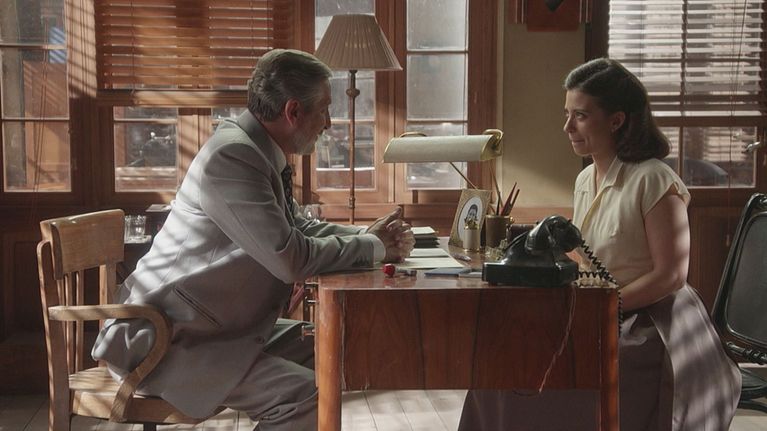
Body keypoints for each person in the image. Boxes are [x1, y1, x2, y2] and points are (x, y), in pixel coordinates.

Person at [91, 49, 415, 431]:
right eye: (324, 109)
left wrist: (367, 236)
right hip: (164, 341)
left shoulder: (255, 149)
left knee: (332, 350)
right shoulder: (233, 158)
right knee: (305, 396)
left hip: (210, 330)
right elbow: (289, 257)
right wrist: (374, 247)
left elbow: (297, 228)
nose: (328, 122)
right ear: (293, 111)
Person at [458, 58, 741, 430]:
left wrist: (604, 308)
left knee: (542, 379)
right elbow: (586, 258)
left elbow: (671, 275)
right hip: (601, 311)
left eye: (580, 116)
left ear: (616, 120)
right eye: (567, 114)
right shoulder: (586, 178)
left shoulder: (654, 179)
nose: (567, 127)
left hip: (649, 326)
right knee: (498, 368)